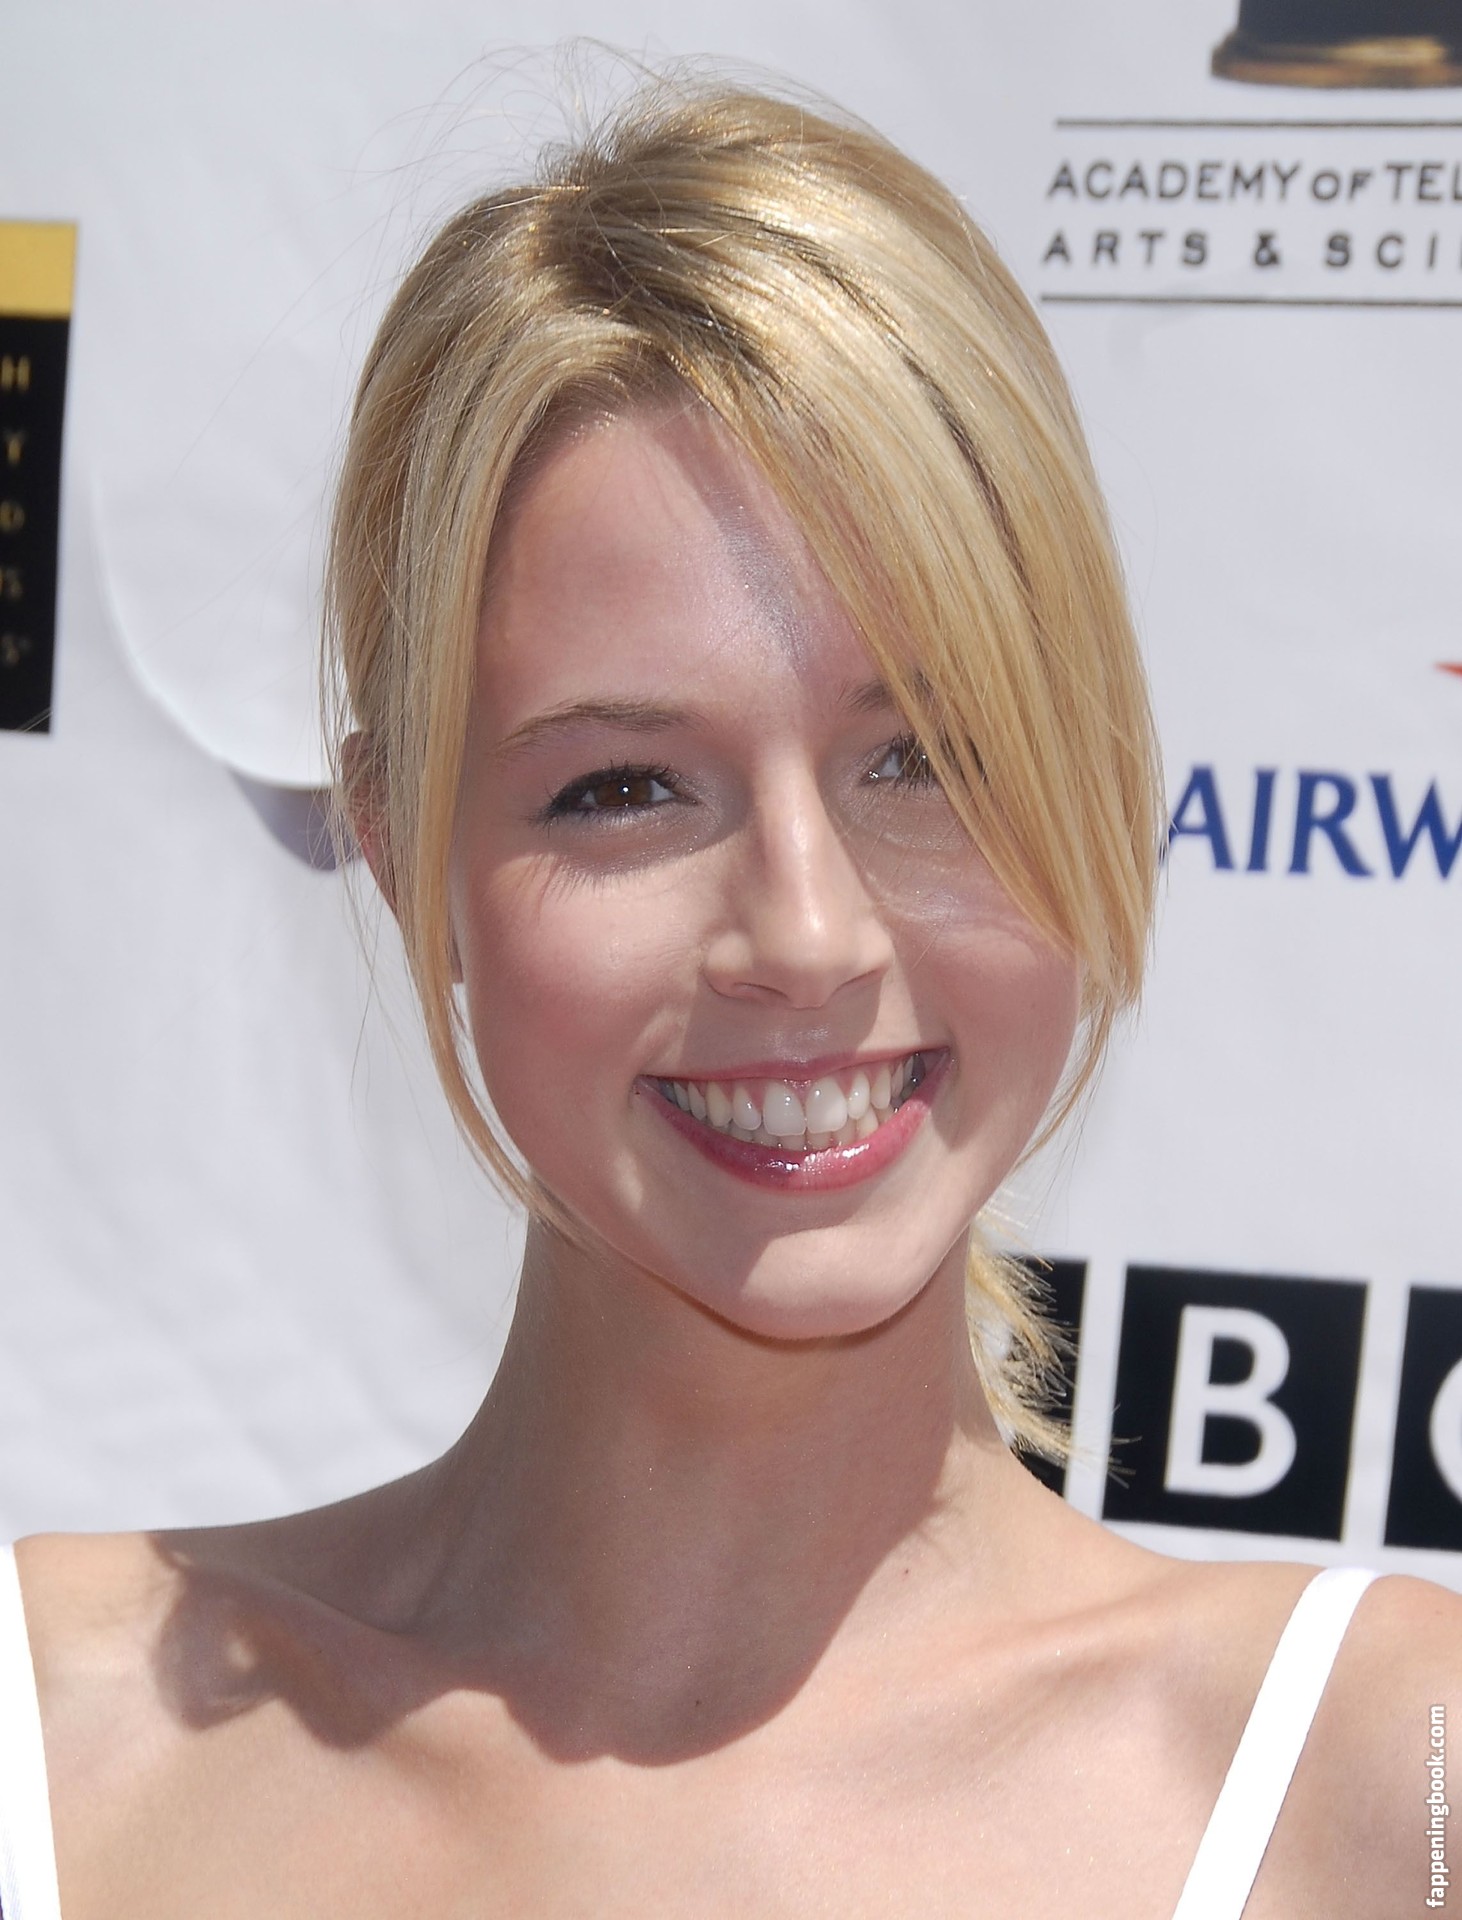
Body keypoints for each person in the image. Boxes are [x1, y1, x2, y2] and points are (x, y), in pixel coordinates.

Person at [0, 74, 1455, 1920]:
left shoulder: (1384, 1785)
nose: (807, 930)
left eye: (922, 758)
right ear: (399, 844)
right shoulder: (49, 1742)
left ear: (1090, 766)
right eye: (624, 787)